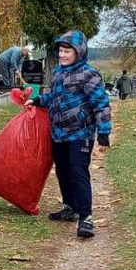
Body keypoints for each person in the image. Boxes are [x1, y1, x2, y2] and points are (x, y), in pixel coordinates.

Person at [27, 30, 111, 238]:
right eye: (61, 51)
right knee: (63, 171)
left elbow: (101, 103)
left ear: (78, 52)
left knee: (78, 171)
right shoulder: (57, 73)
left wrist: (104, 132)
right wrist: (38, 101)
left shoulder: (88, 74)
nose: (63, 55)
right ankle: (70, 208)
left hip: (80, 134)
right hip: (59, 133)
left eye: (67, 51)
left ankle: (86, 218)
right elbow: (54, 97)